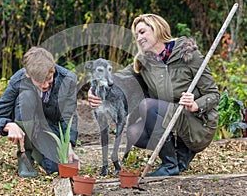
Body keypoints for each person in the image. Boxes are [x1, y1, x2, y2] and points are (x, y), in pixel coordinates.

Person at [88, 14, 220, 176]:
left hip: (198, 123)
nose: (139, 37)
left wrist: (196, 104)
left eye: (142, 32)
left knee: (148, 105)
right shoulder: (144, 62)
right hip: (172, 121)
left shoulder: (188, 55)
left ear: (156, 29)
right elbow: (117, 78)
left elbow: (213, 94)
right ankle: (178, 156)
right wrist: (93, 88)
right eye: (136, 35)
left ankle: (170, 165)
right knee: (134, 133)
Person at [0, 46, 79, 178]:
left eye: (49, 78)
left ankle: (43, 150)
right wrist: (9, 125)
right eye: (40, 81)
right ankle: (25, 156)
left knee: (56, 168)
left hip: (50, 129)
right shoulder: (17, 81)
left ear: (53, 69)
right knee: (26, 96)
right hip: (27, 126)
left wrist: (68, 146)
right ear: (28, 75)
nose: (45, 84)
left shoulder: (68, 80)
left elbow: (69, 116)